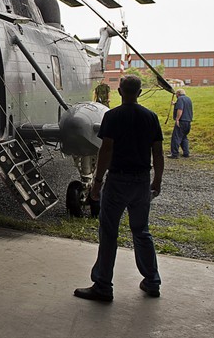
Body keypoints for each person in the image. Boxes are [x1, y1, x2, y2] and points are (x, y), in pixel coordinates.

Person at [74, 75, 164, 302]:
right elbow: (158, 153)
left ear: (121, 91)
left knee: (109, 232)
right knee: (141, 231)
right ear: (140, 92)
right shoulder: (151, 117)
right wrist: (157, 180)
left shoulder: (112, 117)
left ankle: (103, 285)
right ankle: (152, 281)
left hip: (117, 181)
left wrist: (97, 182)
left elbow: (106, 151)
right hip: (141, 180)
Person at [168, 88, 193, 158]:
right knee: (184, 137)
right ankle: (186, 153)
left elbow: (180, 109)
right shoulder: (188, 99)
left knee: (176, 137)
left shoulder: (180, 99)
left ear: (178, 94)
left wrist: (177, 119)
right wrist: (175, 104)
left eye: (176, 94)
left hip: (181, 121)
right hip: (188, 121)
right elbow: (184, 106)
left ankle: (174, 154)